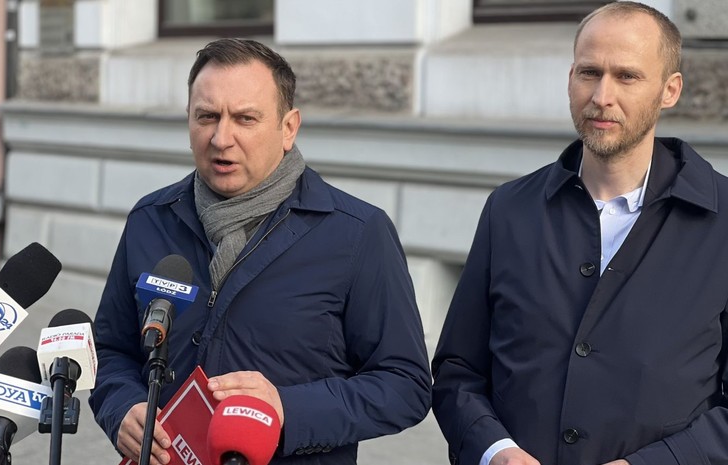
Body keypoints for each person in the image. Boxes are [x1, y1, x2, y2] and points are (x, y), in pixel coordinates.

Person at [88, 38, 431, 465]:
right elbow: (110, 350)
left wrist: (287, 409)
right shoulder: (151, 219)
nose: (221, 138)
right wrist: (122, 408)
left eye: (245, 118)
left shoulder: (357, 233)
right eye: (207, 116)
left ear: (289, 128)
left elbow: (405, 385)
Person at [432, 2, 728, 465]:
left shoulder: (722, 221)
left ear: (669, 90)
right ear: (570, 77)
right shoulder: (508, 210)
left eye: (627, 76)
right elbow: (458, 372)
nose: (602, 96)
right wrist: (496, 451)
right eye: (589, 72)